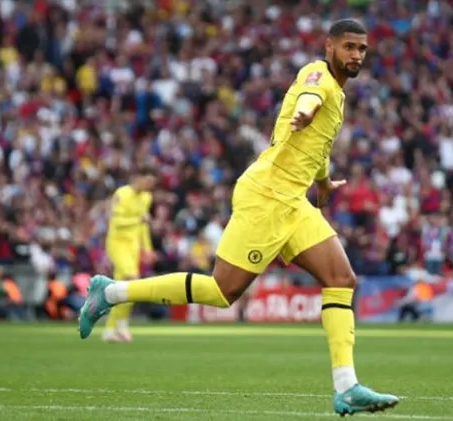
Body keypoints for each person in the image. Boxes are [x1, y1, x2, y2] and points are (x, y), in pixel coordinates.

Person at [78, 19, 399, 415]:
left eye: (362, 49)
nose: (356, 55)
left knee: (341, 279)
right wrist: (303, 110)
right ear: (329, 46)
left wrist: (325, 182)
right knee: (221, 292)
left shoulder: (340, 94)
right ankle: (110, 293)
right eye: (349, 47)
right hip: (266, 195)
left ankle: (347, 385)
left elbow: (316, 146)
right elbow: (309, 98)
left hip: (294, 200)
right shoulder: (318, 74)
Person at [101, 167, 158, 343]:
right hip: (117, 243)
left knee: (124, 288)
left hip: (133, 247)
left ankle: (111, 329)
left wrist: (147, 249)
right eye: (147, 182)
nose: (149, 186)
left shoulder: (146, 197)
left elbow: (143, 227)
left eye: (152, 184)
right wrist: (138, 220)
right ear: (137, 178)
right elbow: (116, 221)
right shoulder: (122, 194)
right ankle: (121, 324)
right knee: (132, 281)